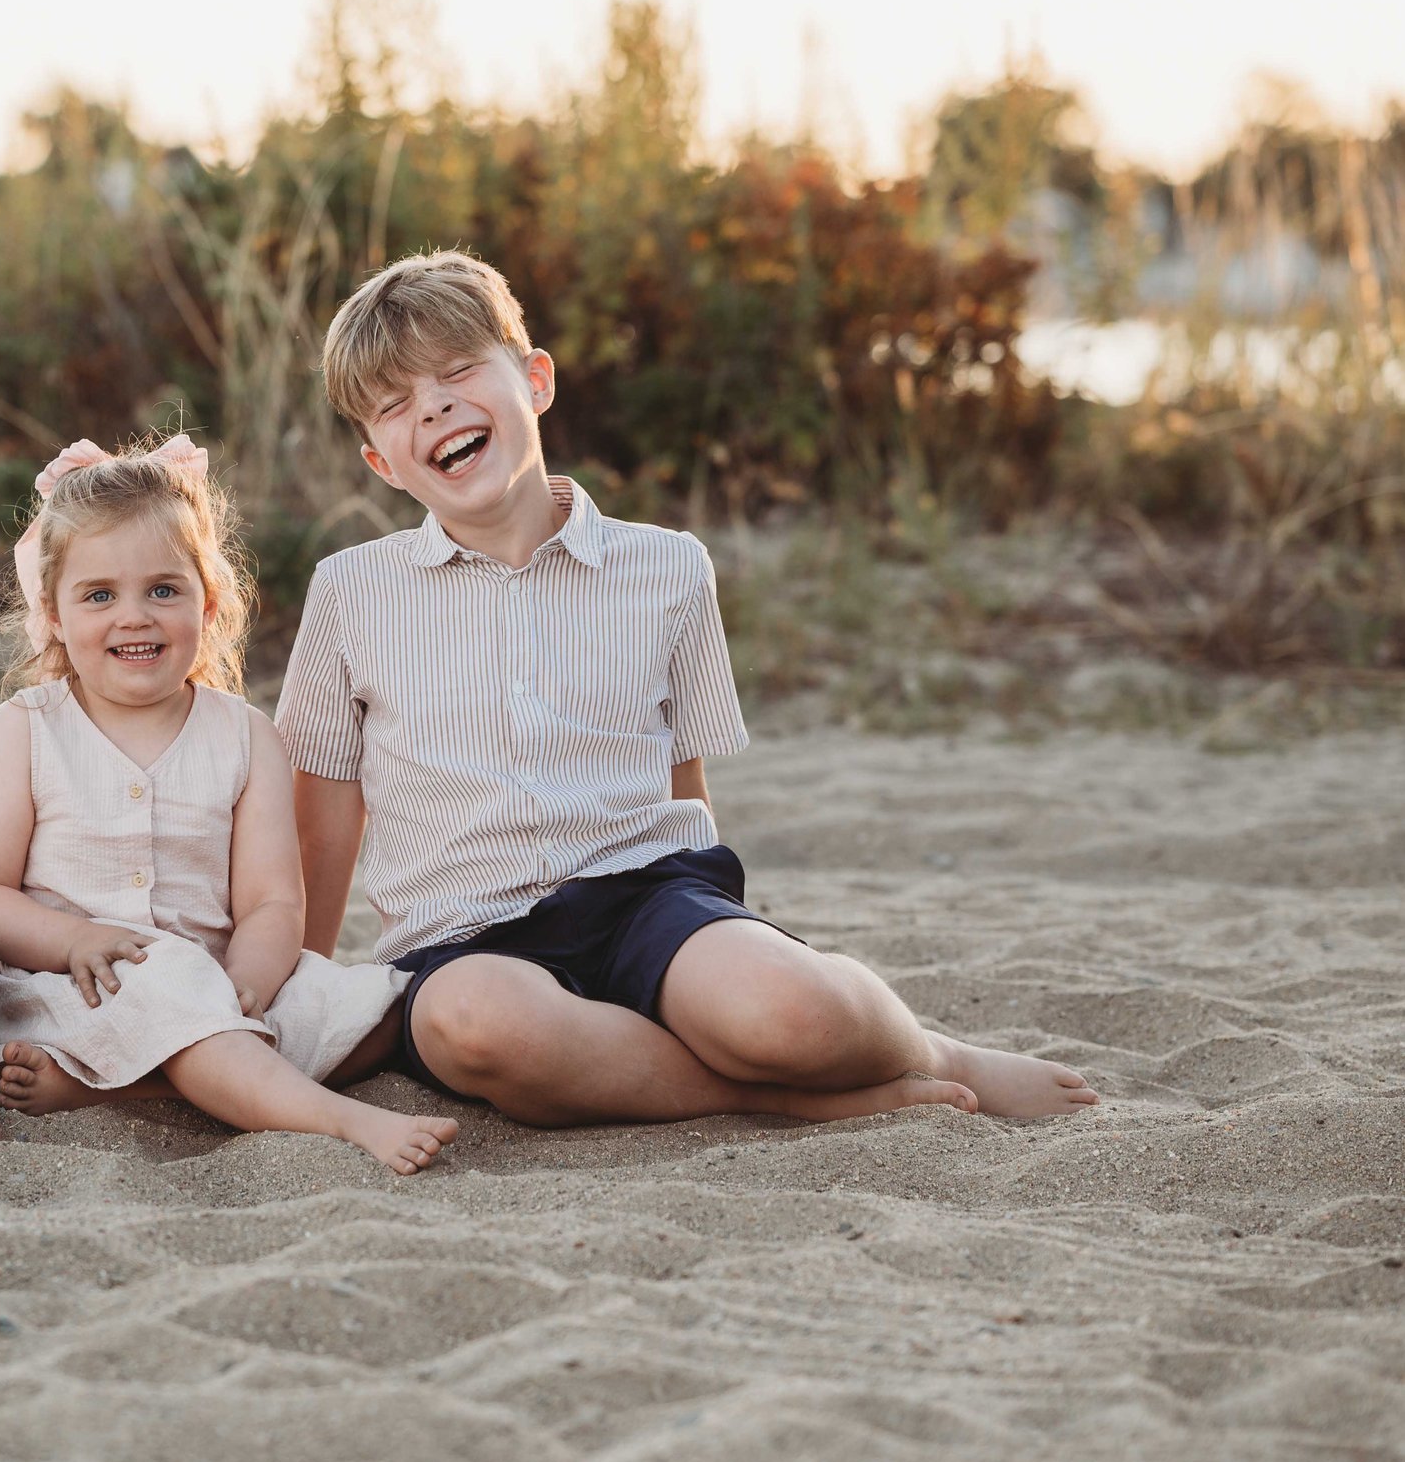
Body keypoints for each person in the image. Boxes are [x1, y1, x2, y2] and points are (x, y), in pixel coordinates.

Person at [277, 251, 1099, 1126]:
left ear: (536, 380)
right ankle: (777, 1102)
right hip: (467, 943)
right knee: (475, 1028)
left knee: (789, 1013)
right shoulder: (349, 592)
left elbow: (684, 786)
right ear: (381, 462)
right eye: (396, 404)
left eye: (456, 371)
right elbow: (325, 811)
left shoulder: (666, 567)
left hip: (646, 895)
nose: (433, 405)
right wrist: (305, 991)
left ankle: (935, 1052)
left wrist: (714, 947)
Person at [0, 438, 457, 1174]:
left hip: (217, 978)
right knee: (169, 984)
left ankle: (134, 1086)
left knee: (372, 1007)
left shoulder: (246, 734)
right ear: (51, 612)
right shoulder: (27, 727)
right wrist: (72, 942)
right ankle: (337, 1119)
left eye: (163, 590)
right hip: (76, 992)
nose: (134, 617)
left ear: (208, 602)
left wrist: (246, 983)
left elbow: (274, 903)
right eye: (99, 595)